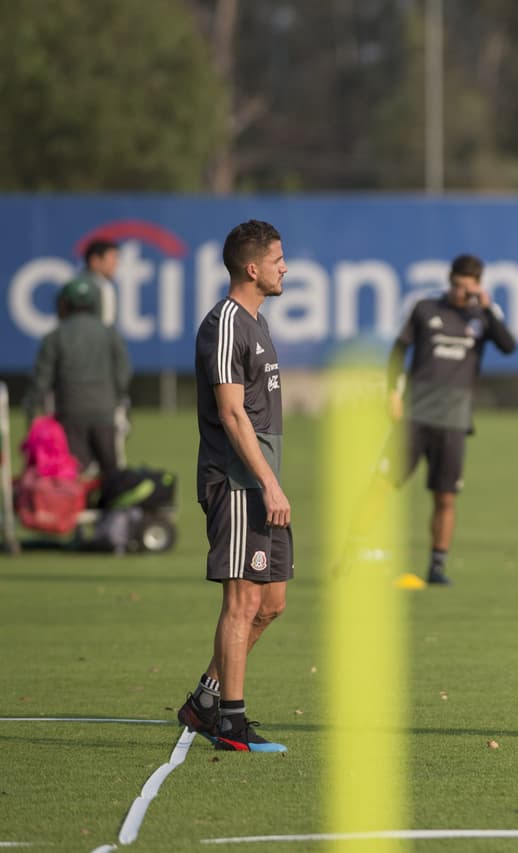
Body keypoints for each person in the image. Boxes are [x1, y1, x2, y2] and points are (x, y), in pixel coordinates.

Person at [176, 220, 292, 753]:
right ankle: (231, 725)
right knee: (242, 602)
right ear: (252, 268)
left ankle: (205, 700)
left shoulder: (257, 323)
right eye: (277, 259)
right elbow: (229, 413)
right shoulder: (224, 323)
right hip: (238, 481)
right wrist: (267, 482)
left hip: (263, 481)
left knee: (271, 604)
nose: (284, 268)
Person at [378, 253, 517, 587]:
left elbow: (508, 346)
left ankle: (437, 567)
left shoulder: (481, 318)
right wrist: (392, 393)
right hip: (414, 414)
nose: (459, 293)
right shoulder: (425, 308)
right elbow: (398, 351)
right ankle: (357, 553)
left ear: (478, 287)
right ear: (449, 281)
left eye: (466, 288)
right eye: (455, 285)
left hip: (454, 420)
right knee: (381, 486)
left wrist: (486, 307)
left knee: (445, 496)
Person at [27, 278, 131, 476]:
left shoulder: (54, 336)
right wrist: (116, 398)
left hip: (70, 411)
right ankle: (115, 505)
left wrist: (32, 411)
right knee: (111, 473)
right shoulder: (110, 334)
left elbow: (41, 381)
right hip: (105, 411)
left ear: (65, 303)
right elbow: (123, 372)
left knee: (74, 472)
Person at [66, 238, 120, 326]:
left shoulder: (104, 285)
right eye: (112, 257)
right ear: (95, 261)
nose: (116, 263)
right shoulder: (82, 287)